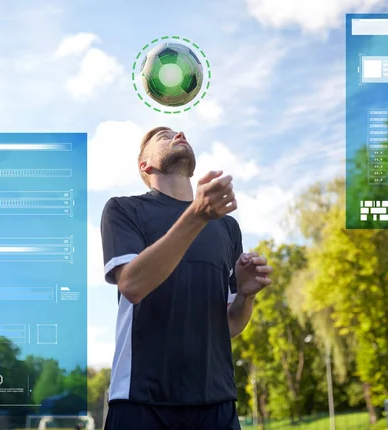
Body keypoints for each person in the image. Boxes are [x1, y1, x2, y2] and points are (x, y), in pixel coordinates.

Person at [100, 126, 273, 429]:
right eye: (163, 136)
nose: (178, 133)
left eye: (179, 133)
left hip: (216, 404)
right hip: (141, 401)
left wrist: (246, 295)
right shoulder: (124, 209)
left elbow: (230, 325)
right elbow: (132, 285)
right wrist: (196, 216)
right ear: (145, 165)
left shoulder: (226, 227)